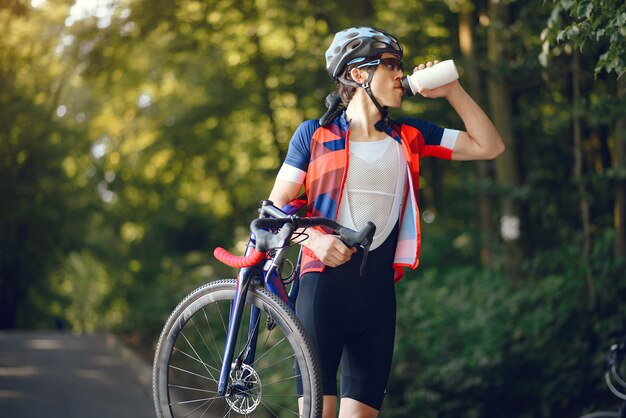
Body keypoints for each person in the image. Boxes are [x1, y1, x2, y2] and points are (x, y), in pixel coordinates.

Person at [268, 26, 504, 418]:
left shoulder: (410, 135)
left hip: (377, 297)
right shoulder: (314, 134)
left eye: (400, 65)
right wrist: (312, 239)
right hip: (320, 291)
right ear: (358, 74)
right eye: (390, 65)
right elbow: (274, 211)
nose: (401, 73)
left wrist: (452, 91)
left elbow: (490, 146)